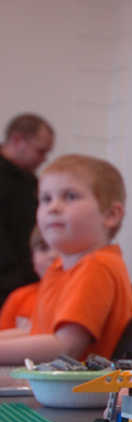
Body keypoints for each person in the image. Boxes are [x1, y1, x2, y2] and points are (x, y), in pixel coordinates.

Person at [0, 154, 132, 364]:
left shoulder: (96, 266)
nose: (53, 207)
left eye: (70, 196)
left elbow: (66, 347)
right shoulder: (61, 269)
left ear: (111, 215)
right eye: (46, 199)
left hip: (71, 392)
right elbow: (36, 333)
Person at [0, 113, 54, 306]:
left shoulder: (31, 181)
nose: (44, 159)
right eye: (40, 151)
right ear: (17, 140)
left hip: (27, 283)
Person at [0, 227, 56, 330]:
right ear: (32, 259)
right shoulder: (19, 298)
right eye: (44, 248)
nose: (53, 255)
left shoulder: (81, 296)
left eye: (63, 249)